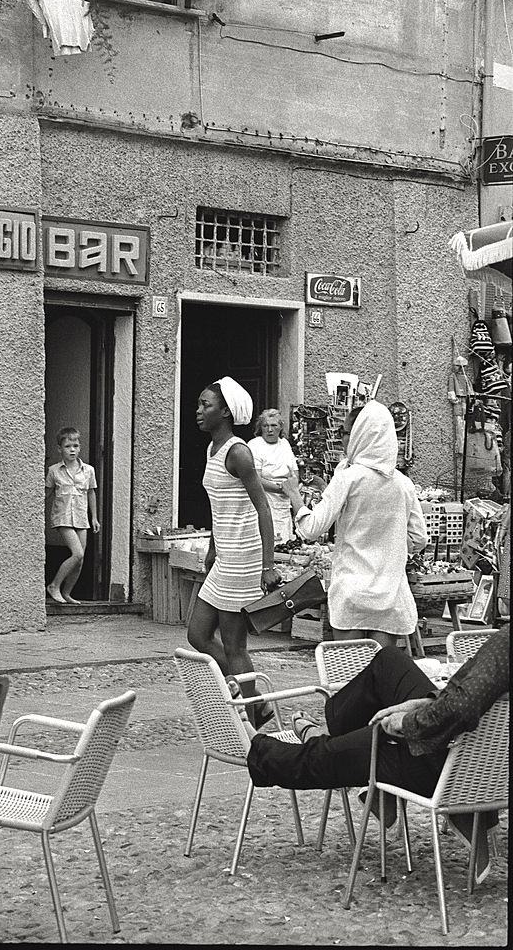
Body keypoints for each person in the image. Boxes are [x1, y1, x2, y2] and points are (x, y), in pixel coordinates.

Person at [239, 624, 509, 883]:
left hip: (449, 766)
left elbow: (462, 708)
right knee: (389, 662)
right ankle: (326, 732)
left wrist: (407, 722)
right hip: (486, 769)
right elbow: (468, 699)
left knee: (356, 749)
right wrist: (429, 701)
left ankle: (264, 752)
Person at [282, 400, 427, 647]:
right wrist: (387, 542)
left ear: (361, 434)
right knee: (379, 677)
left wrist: (295, 496)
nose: (341, 439)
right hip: (389, 595)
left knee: (348, 676)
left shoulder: (348, 478)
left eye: (345, 432)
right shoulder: (403, 484)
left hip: (352, 592)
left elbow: (311, 529)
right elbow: (419, 539)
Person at [187, 377, 280, 728]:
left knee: (234, 645)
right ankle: (256, 701)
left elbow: (263, 507)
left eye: (205, 405)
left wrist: (268, 565)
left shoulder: (238, 452)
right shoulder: (212, 450)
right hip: (224, 555)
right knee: (197, 635)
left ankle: (254, 720)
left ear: (225, 412)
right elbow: (218, 507)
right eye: (199, 404)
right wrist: (212, 547)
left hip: (243, 558)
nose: (198, 411)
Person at [45, 426, 100, 605]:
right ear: (60, 449)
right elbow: (47, 493)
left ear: (80, 447)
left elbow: (91, 493)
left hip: (81, 518)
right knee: (76, 553)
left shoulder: (88, 470)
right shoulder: (54, 470)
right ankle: (54, 586)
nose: (72, 450)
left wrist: (94, 518)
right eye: (68, 446)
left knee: (80, 559)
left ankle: (67, 593)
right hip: (62, 517)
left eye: (75, 446)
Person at [247, 408, 299, 543]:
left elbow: (295, 470)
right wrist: (281, 488)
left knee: (285, 542)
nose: (269, 430)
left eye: (274, 425)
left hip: (284, 502)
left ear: (280, 427)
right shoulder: (255, 445)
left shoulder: (285, 444)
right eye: (265, 426)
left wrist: (292, 487)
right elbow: (255, 478)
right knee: (269, 541)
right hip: (266, 500)